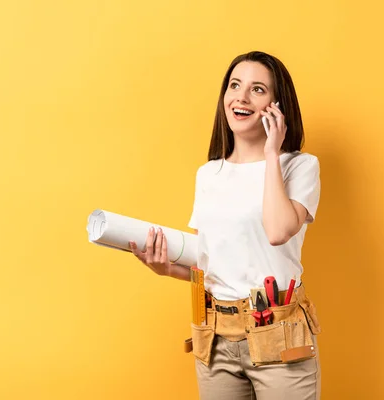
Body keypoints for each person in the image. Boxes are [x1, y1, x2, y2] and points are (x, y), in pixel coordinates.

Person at [129, 51, 322, 400]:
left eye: (257, 89)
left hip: (278, 334)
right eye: (235, 85)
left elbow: (278, 232)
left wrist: (270, 153)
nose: (241, 97)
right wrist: (165, 268)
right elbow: (209, 266)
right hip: (216, 337)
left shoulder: (299, 166)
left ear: (277, 106)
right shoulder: (209, 174)